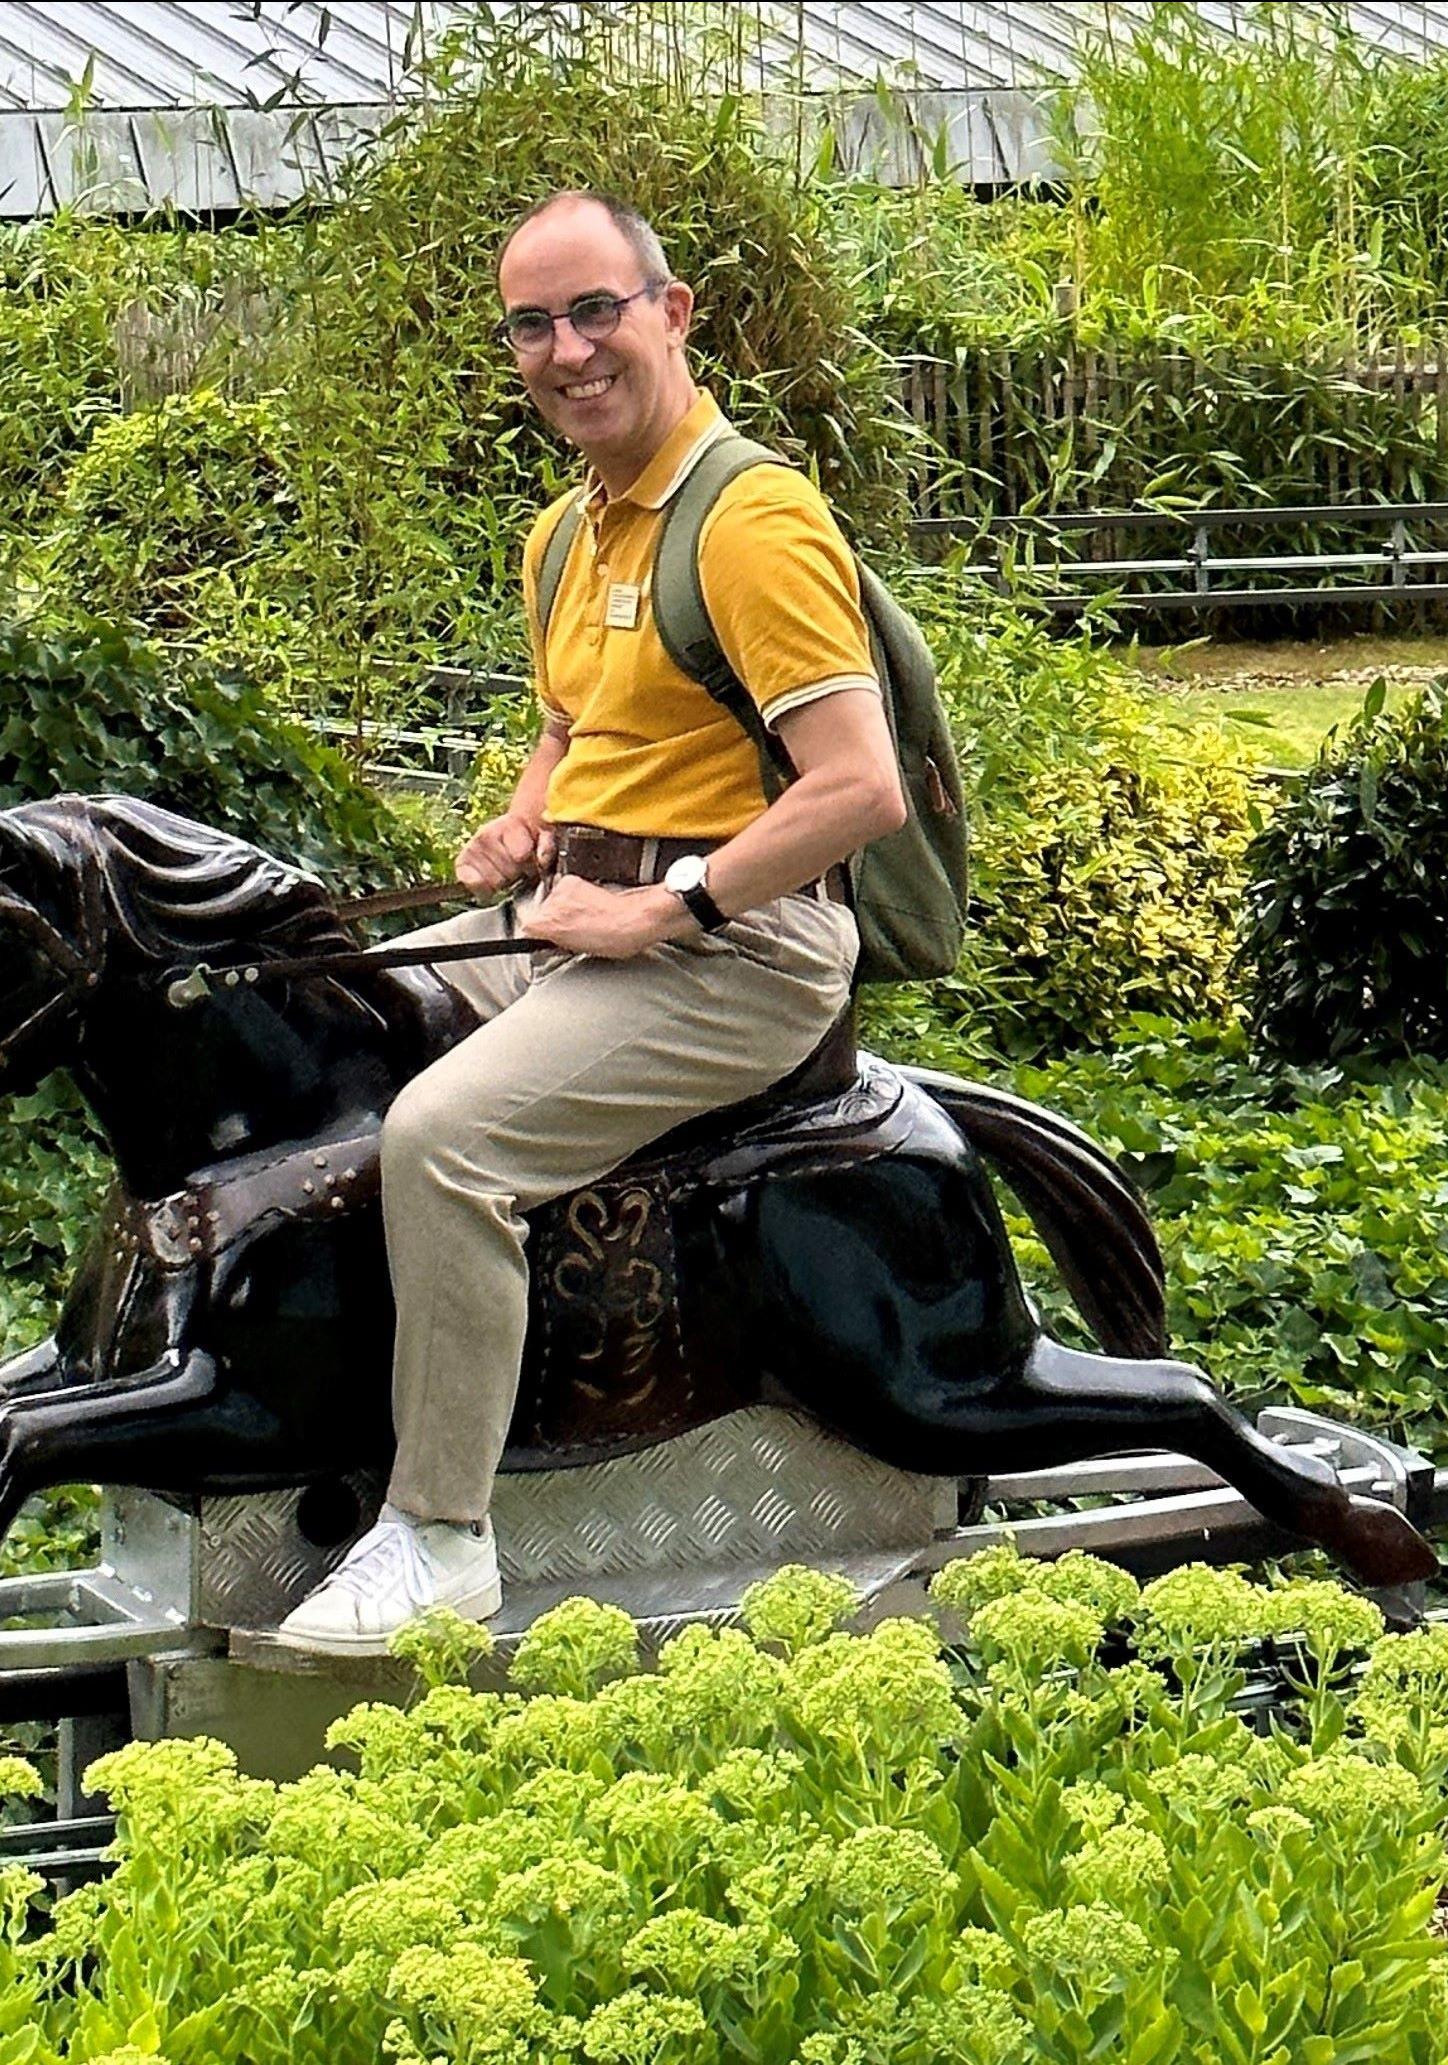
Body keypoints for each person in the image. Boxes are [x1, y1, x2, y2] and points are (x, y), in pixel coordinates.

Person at [275, 190, 907, 1655]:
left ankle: (439, 1537)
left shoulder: (752, 522)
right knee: (331, 1019)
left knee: (443, 1141)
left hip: (746, 952)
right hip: (580, 912)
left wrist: (664, 909)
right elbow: (578, 727)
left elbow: (859, 788)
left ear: (672, 312)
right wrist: (523, 817)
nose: (566, 350)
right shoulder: (566, 535)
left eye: (595, 310)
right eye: (533, 324)